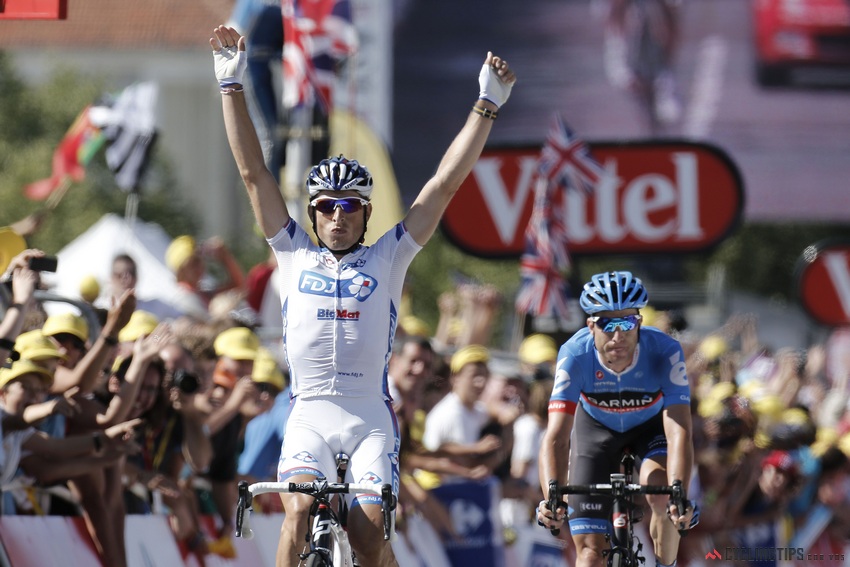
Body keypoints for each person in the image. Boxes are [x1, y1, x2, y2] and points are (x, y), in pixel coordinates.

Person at [211, 23, 516, 567]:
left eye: (349, 206)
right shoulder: (291, 251)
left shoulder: (389, 256)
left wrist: (485, 106)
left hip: (369, 416)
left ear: (367, 212)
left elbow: (443, 184)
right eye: (326, 205)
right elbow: (253, 173)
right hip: (307, 412)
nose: (336, 215)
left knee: (367, 537)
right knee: (298, 512)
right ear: (312, 212)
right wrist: (231, 84)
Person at [536, 270, 696, 567]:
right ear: (591, 326)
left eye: (627, 322)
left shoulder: (665, 351)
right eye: (608, 324)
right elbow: (556, 436)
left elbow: (679, 430)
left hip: (649, 431)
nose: (618, 335)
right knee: (589, 555)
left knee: (663, 497)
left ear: (640, 324)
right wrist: (552, 498)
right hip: (595, 433)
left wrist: (679, 493)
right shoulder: (574, 354)